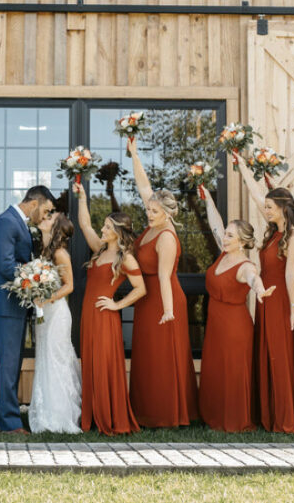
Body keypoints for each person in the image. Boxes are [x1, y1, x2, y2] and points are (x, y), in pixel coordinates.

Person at [126, 138, 198, 428]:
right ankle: (144, 411)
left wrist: (168, 311)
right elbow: (144, 187)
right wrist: (134, 153)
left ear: (168, 214)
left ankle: (165, 414)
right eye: (148, 210)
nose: (148, 214)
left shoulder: (166, 237)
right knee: (147, 356)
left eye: (154, 211)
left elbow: (166, 278)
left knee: (162, 357)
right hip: (148, 298)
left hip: (163, 299)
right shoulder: (154, 223)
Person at [237, 161, 294, 433]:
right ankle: (268, 416)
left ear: (282, 209)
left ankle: (285, 419)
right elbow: (258, 196)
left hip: (282, 301)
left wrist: (293, 308)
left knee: (280, 356)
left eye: (270, 207)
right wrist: (241, 163)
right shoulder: (274, 230)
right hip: (266, 299)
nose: (264, 210)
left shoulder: (293, 235)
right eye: (266, 206)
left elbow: (293, 274)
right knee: (268, 353)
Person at [0, 185, 56, 434]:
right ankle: (9, 422)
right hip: (6, 303)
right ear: (34, 203)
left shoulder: (19, 223)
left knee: (14, 362)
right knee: (9, 363)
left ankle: (11, 417)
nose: (44, 216)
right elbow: (4, 266)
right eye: (45, 210)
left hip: (16, 303)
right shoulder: (6, 222)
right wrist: (36, 279)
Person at [73, 183, 145, 435]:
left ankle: (109, 415)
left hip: (106, 317)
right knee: (91, 363)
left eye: (107, 227)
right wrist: (82, 197)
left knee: (104, 365)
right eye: (103, 226)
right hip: (89, 317)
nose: (102, 230)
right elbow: (84, 225)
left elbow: (140, 289)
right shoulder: (100, 250)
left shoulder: (125, 258)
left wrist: (116, 304)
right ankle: (92, 416)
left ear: (117, 232)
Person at [198, 191, 274, 432]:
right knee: (216, 368)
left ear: (241, 241)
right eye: (226, 234)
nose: (224, 237)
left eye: (230, 235)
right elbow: (215, 224)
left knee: (233, 370)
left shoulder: (245, 265)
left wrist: (260, 291)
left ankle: (234, 419)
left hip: (234, 326)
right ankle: (214, 416)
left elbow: (254, 279)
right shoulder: (224, 253)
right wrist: (208, 197)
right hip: (216, 323)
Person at [28, 212, 82, 434]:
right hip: (43, 312)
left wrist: (47, 298)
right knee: (44, 358)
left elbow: (69, 286)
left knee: (57, 360)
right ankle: (44, 412)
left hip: (57, 313)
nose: (44, 218)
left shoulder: (60, 253)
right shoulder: (43, 250)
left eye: (50, 217)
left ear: (56, 226)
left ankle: (61, 416)